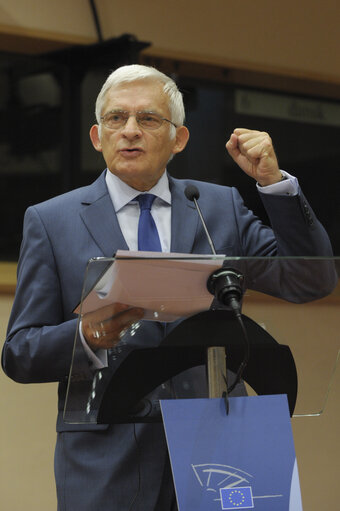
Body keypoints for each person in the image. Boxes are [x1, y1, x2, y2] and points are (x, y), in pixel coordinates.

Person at [2, 64, 333, 511]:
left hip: (219, 447)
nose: (130, 132)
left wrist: (273, 185)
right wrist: (84, 337)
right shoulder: (51, 220)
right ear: (97, 137)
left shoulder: (217, 207)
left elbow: (309, 279)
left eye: (149, 119)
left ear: (178, 139)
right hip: (108, 460)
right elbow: (20, 352)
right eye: (116, 119)